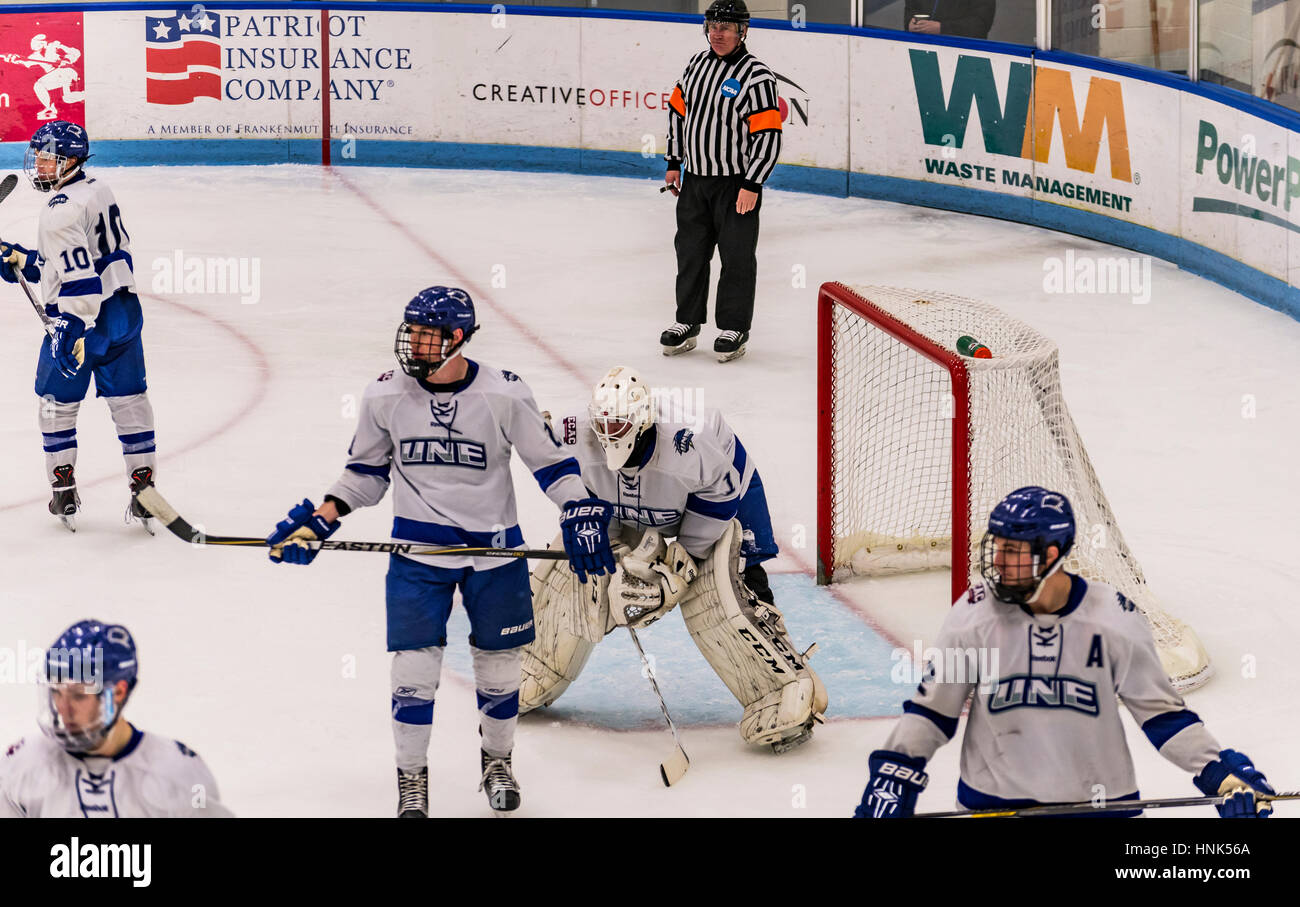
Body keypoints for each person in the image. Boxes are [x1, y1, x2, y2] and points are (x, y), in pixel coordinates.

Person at [265, 286, 614, 817]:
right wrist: (322, 518)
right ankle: (411, 780)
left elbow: (552, 465)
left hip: (496, 557)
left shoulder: (505, 393)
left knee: (500, 672)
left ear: (457, 337)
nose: (412, 344)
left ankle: (497, 761)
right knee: (413, 675)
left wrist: (581, 509)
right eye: (411, 332)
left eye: (425, 335)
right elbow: (365, 474)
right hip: (417, 556)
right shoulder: (384, 395)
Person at [855, 486, 1275, 818]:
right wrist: (893, 774)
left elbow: (1162, 716)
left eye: (1013, 551)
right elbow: (932, 711)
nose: (998, 561)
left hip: (1101, 807)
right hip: (993, 803)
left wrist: (1222, 776)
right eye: (997, 546)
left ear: (1051, 555)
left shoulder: (1114, 618)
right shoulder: (974, 614)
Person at [521, 366, 827, 753]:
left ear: (643, 422)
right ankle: (535, 666)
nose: (609, 435)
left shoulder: (693, 440)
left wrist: (682, 564)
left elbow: (719, 499)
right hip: (616, 503)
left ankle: (780, 684)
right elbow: (549, 467)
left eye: (619, 427)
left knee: (720, 587)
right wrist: (602, 545)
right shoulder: (572, 431)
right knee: (582, 565)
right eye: (604, 426)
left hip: (712, 499)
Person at [0, 121, 157, 534]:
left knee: (55, 400)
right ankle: (144, 485)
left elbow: (79, 280)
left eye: (47, 157)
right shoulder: (96, 189)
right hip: (124, 311)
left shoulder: (58, 212)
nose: (39, 164)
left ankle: (63, 486)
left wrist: (72, 328)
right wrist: (23, 259)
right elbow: (75, 258)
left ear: (69, 160)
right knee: (129, 399)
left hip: (84, 318)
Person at [0, 619, 232, 817]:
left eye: (79, 696)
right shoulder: (21, 765)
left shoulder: (178, 773)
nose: (63, 709)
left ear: (118, 692)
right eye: (56, 692)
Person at [661, 0, 782, 364]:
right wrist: (673, 161)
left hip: (735, 185)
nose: (718, 33)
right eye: (713, 25)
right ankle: (687, 322)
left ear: (742, 31)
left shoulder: (757, 76)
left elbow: (768, 135)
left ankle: (734, 326)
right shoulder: (696, 64)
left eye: (726, 27)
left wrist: (753, 183)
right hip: (695, 181)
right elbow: (678, 113)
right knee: (691, 254)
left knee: (736, 257)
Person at [904, 0, 995, 40]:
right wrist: (909, 23)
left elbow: (980, 25)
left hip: (963, 55)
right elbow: (910, 9)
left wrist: (942, 28)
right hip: (919, 50)